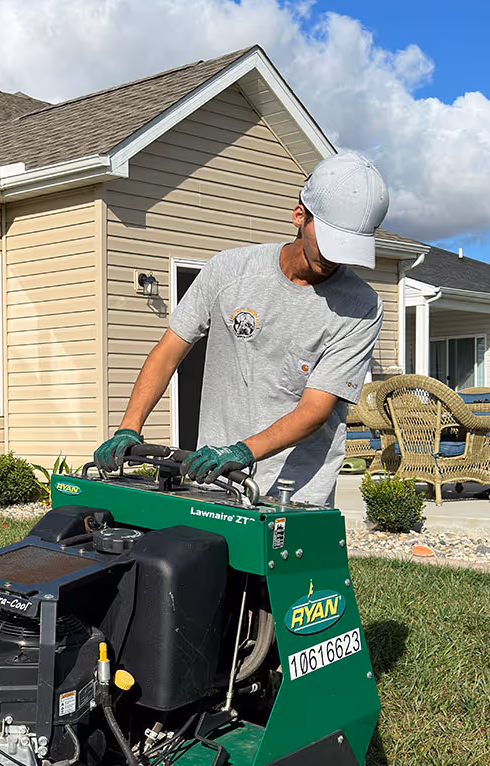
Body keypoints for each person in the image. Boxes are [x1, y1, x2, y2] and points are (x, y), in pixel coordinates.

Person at [94, 151, 390, 506]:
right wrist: (130, 425)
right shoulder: (230, 271)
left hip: (298, 491)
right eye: (328, 240)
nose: (334, 257)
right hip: (213, 478)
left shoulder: (361, 306)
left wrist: (242, 451)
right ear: (299, 215)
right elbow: (168, 352)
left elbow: (316, 409)